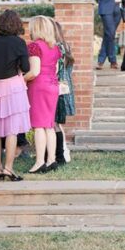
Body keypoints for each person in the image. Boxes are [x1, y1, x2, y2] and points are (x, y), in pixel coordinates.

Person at [0, 9, 31, 181]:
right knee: (11, 131)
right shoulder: (19, 42)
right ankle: (9, 168)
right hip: (13, 87)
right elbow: (26, 68)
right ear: (16, 24)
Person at [25, 16, 62, 174]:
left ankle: (40, 161)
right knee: (49, 125)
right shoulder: (55, 47)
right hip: (53, 86)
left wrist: (21, 79)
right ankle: (51, 159)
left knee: (39, 126)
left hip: (39, 86)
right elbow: (56, 69)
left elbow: (34, 71)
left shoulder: (34, 46)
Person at [51, 17, 75, 166]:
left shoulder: (57, 47)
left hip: (58, 88)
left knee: (55, 122)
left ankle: (61, 153)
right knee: (57, 123)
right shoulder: (65, 46)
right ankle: (62, 152)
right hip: (65, 87)